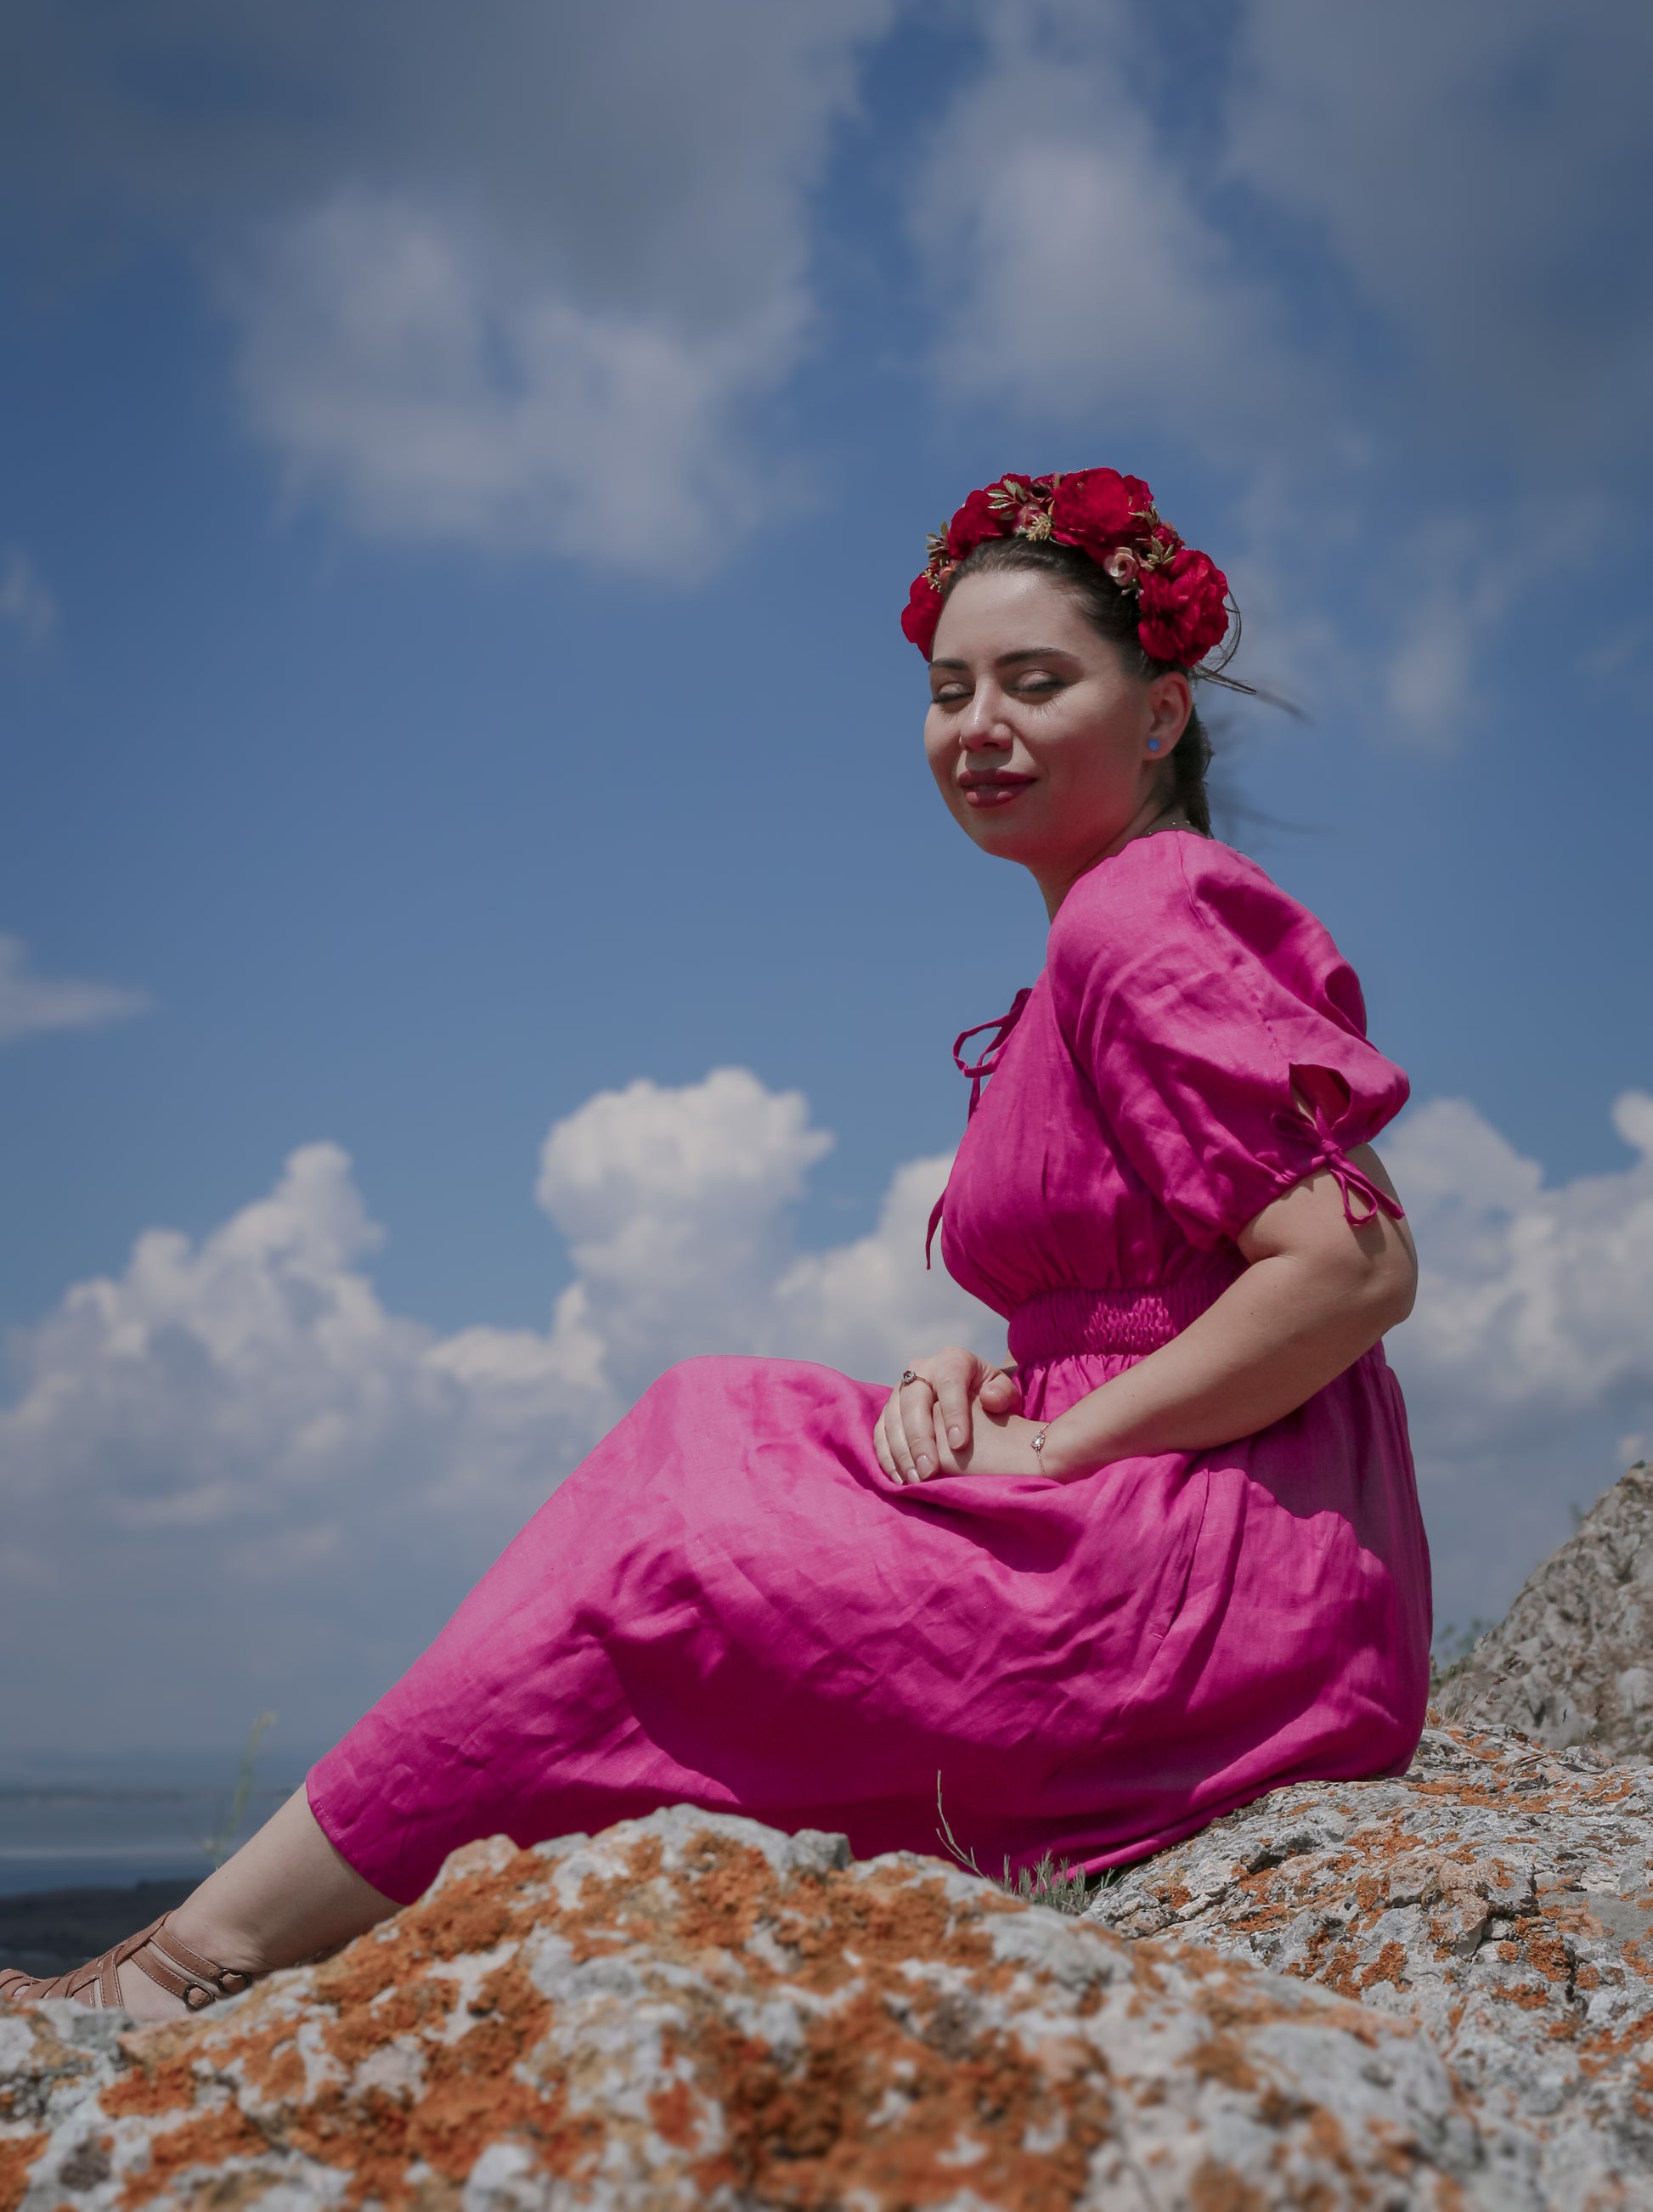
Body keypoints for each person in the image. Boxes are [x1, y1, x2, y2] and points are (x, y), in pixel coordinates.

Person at [2, 464, 1429, 2023]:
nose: (978, 727)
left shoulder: (1132, 918)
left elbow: (1347, 1270)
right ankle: (206, 1953)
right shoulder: (1108, 926)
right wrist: (1001, 1382)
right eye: (950, 690)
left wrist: (1064, 1444)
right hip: (1206, 1532)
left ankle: (187, 1972)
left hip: (1222, 1594)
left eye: (1037, 682)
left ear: (1157, 714)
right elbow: (1171, 1283)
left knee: (672, 1546)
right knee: (712, 1417)